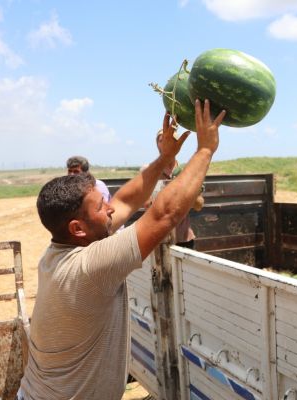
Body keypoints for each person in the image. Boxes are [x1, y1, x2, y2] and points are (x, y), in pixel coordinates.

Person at [18, 99, 226, 400]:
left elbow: (126, 200)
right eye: (102, 208)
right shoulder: (89, 268)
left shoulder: (58, 251)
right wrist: (205, 150)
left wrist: (165, 158)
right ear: (78, 227)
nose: (111, 210)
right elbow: (164, 214)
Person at [141, 129, 205, 249]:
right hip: (158, 239)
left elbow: (199, 205)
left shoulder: (187, 171)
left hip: (184, 239)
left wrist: (189, 191)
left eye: (170, 140)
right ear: (157, 144)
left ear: (177, 144)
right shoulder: (149, 171)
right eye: (161, 140)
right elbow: (147, 204)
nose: (165, 143)